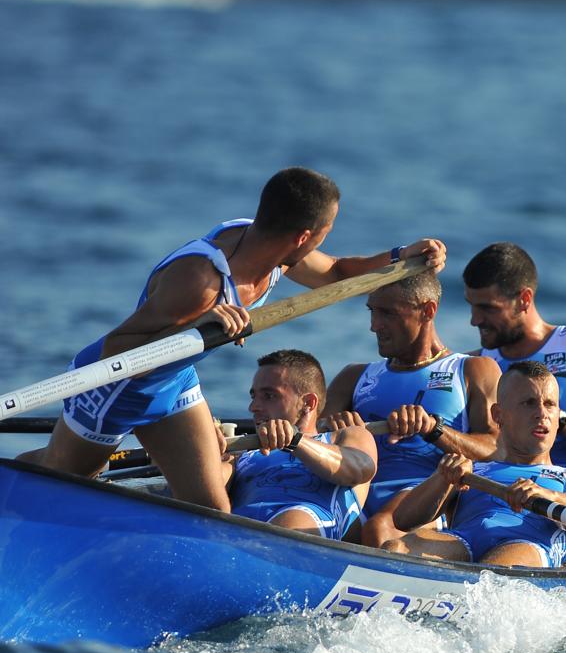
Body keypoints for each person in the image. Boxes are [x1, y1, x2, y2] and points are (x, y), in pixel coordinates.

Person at [24, 166, 446, 511]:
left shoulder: (275, 251)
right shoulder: (200, 280)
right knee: (60, 481)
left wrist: (401, 257)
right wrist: (197, 326)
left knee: (210, 510)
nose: (325, 240)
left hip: (174, 383)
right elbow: (116, 350)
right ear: (303, 237)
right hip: (115, 388)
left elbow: (335, 272)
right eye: (326, 231)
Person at [322, 269, 499, 548]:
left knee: (379, 529)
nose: (374, 325)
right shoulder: (353, 376)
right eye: (372, 311)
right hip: (356, 487)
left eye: (387, 313)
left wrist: (433, 429)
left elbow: (495, 449)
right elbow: (312, 432)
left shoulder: (473, 370)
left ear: (427, 311)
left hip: (425, 493)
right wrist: (334, 429)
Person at [387, 362, 566, 567]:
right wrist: (442, 478)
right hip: (463, 541)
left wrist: (547, 495)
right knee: (396, 548)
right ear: (498, 415)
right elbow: (403, 520)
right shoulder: (471, 470)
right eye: (529, 403)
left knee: (497, 567)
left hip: (527, 547)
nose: (542, 414)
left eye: (550, 404)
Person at [461, 242, 566, 467]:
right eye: (472, 306)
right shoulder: (474, 365)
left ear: (524, 299)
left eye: (488, 308)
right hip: (503, 483)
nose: (475, 320)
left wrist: (555, 419)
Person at [224, 350, 376, 540]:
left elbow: (360, 470)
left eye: (269, 396)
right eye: (254, 396)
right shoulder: (241, 454)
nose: (253, 407)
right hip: (237, 527)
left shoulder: (347, 436)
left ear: (308, 403)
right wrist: (208, 448)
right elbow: (201, 495)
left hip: (300, 523)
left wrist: (295, 440)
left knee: (291, 520)